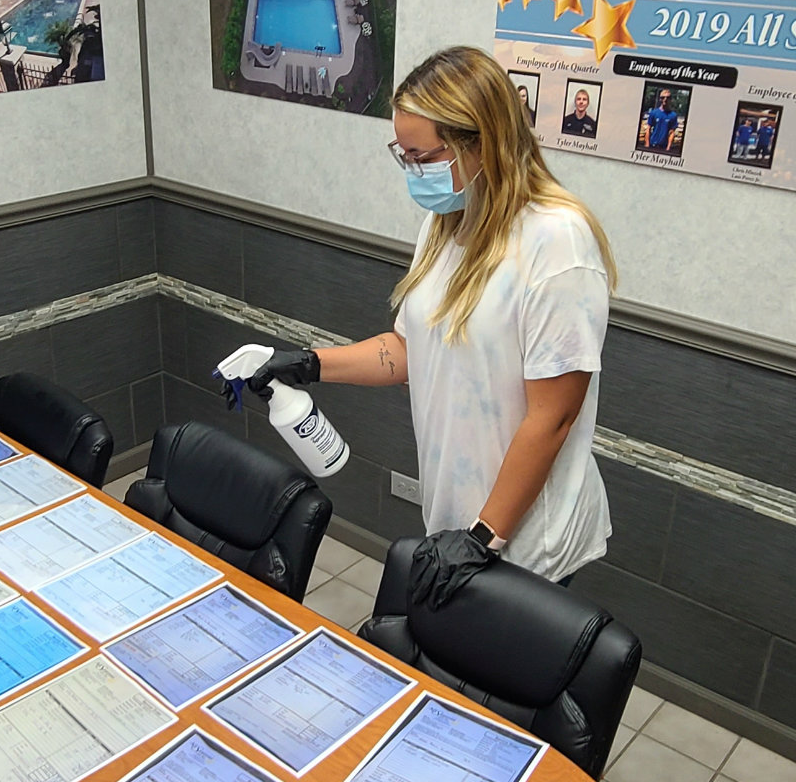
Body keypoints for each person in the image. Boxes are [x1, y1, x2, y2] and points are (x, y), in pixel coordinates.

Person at [238, 46, 615, 584]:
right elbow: (410, 349)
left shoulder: (557, 242)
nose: (414, 172)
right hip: (459, 513)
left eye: (423, 157)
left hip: (529, 539)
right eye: (405, 156)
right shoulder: (448, 225)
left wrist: (484, 536)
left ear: (481, 143)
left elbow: (552, 417)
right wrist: (308, 363)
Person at [643, 88, 681, 153]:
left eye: (667, 98)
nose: (665, 99)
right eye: (663, 97)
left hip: (664, 147)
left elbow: (672, 133)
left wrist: (668, 148)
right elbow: (648, 129)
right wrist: (647, 144)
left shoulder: (673, 115)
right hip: (652, 145)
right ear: (660, 99)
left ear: (670, 99)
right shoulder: (654, 113)